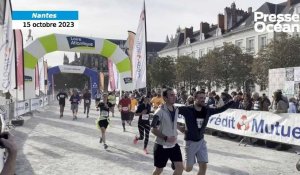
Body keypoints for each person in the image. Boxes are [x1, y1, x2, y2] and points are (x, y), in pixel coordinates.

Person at [178, 91, 234, 175]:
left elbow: (220, 109)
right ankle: (179, 164)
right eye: (201, 98)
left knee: (203, 166)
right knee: (188, 169)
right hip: (190, 142)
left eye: (204, 98)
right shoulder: (187, 109)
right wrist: (178, 127)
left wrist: (232, 102)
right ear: (195, 98)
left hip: (201, 141)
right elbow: (172, 112)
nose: (203, 100)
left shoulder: (207, 110)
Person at [150, 87, 183, 175]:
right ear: (165, 98)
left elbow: (174, 123)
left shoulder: (176, 109)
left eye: (174, 95)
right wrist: (166, 137)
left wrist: (181, 129)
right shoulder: (159, 112)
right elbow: (153, 129)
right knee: (159, 170)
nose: (174, 97)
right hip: (161, 146)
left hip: (174, 145)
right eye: (171, 95)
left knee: (180, 168)